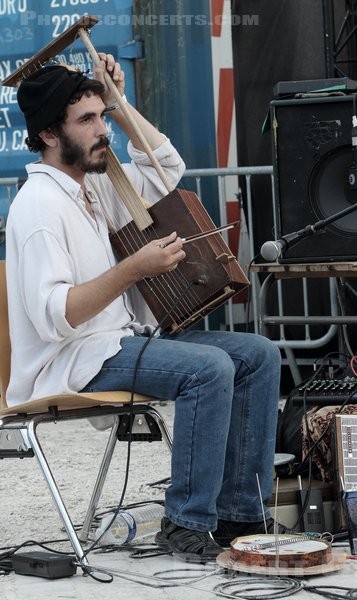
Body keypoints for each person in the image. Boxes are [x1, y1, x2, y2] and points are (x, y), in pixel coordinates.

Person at [6, 54, 285, 561]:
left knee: (258, 354)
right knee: (209, 368)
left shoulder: (94, 186)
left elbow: (167, 169)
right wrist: (134, 268)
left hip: (119, 341)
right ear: (49, 134)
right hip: (72, 358)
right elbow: (56, 317)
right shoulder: (39, 205)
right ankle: (185, 523)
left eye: (101, 117)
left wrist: (120, 103)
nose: (102, 129)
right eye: (88, 120)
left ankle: (239, 514)